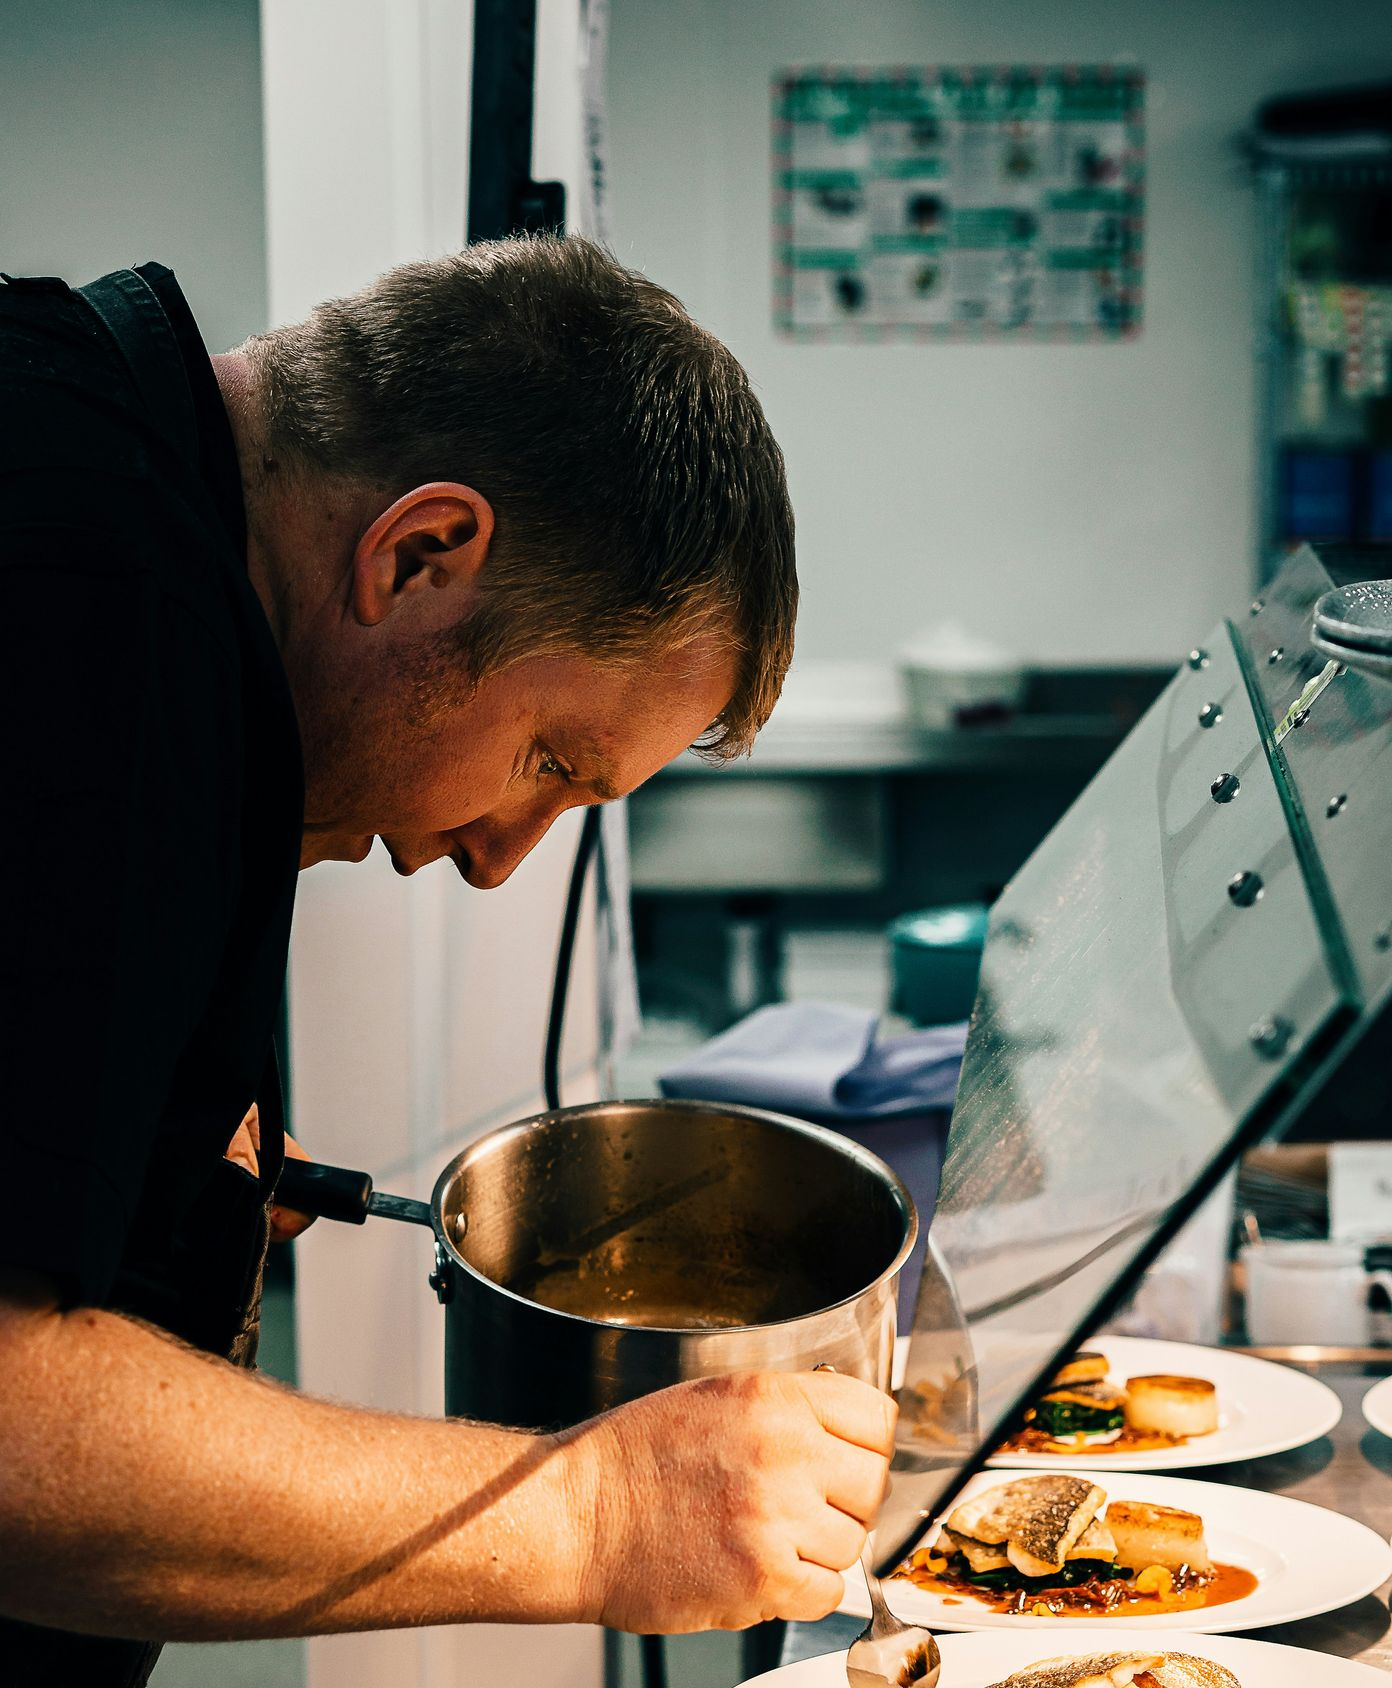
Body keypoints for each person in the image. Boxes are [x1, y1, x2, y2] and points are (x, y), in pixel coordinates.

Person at [0, 237, 895, 1685]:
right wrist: (601, 1514)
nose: (494, 855)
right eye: (549, 759)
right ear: (421, 554)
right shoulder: (89, 602)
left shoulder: (84, 440)